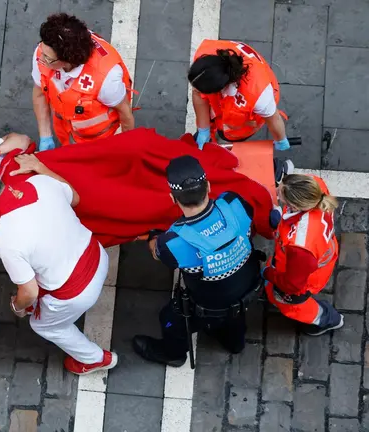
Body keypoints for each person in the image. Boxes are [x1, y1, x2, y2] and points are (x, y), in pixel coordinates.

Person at [0, 161, 117, 375]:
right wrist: (44, 169)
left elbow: (30, 291)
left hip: (76, 292)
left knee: (44, 326)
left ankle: (95, 359)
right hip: (97, 255)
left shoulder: (7, 236)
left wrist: (17, 306)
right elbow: (75, 198)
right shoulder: (40, 182)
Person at [133, 156, 276, 366]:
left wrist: (155, 238)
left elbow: (158, 252)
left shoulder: (172, 243)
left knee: (170, 319)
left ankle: (174, 354)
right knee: (235, 320)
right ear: (208, 186)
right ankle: (234, 343)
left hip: (208, 305)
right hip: (248, 287)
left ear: (173, 198)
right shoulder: (233, 202)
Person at [32, 13, 135, 150]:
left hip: (97, 139)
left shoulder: (107, 79)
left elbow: (125, 113)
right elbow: (39, 92)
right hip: (65, 129)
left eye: (48, 58)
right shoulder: (45, 52)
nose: (41, 58)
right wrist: (45, 136)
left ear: (68, 59)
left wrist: (126, 148)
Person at [262, 174, 343, 335]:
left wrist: (268, 274)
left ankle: (325, 319)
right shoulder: (314, 185)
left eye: (280, 194)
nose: (276, 191)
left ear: (294, 205)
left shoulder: (301, 246)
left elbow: (292, 285)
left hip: (303, 280)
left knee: (292, 307)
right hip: (311, 260)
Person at [188, 40, 288, 150]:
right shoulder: (203, 60)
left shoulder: (259, 95)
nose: (196, 90)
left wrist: (280, 139)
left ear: (220, 88)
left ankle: (225, 137)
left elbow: (274, 119)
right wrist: (204, 129)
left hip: (246, 114)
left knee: (229, 133)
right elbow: (197, 93)